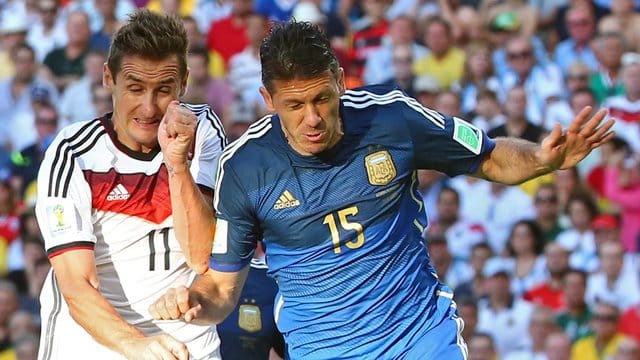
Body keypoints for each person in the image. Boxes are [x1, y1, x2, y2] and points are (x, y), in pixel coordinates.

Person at [150, 20, 615, 359]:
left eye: (321, 99)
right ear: (268, 101)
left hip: (421, 338)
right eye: (294, 105)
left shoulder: (393, 118)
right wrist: (196, 300)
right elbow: (222, 286)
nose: (312, 119)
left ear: (338, 82)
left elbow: (489, 156)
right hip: (322, 350)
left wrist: (539, 158)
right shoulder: (246, 167)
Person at [35, 10, 226, 360]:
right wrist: (137, 345)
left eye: (163, 90)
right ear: (109, 78)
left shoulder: (203, 131)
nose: (149, 107)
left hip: (187, 346)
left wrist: (177, 163)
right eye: (135, 88)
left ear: (184, 83)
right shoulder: (73, 153)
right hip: (94, 346)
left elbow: (200, 256)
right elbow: (77, 285)